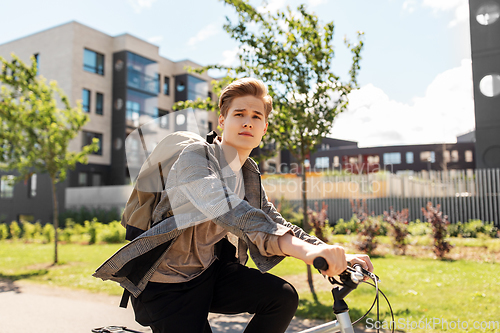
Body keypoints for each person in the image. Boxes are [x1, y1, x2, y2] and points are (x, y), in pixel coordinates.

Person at [97, 78, 373, 333]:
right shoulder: (194, 156)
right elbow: (225, 208)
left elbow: (273, 222)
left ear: (264, 128)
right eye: (239, 114)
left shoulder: (247, 173)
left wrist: (324, 250)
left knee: (282, 297)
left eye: (256, 117)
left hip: (210, 271)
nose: (248, 122)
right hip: (168, 282)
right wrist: (303, 252)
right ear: (222, 120)